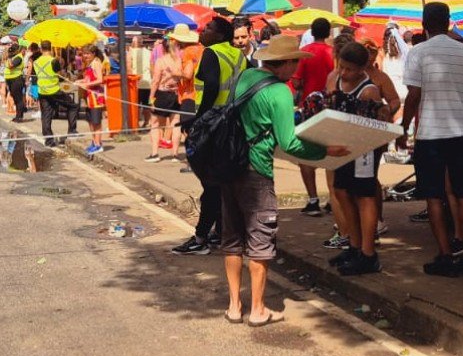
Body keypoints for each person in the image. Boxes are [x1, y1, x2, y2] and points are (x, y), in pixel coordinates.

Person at [218, 33, 347, 325]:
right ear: (286, 63)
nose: (296, 70)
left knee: (232, 238)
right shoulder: (280, 92)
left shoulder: (247, 76)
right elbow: (289, 143)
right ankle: (258, 309)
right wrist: (325, 150)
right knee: (260, 239)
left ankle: (234, 305)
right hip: (256, 170)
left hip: (229, 165)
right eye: (295, 63)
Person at [399, 2, 463, 277]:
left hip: (432, 134)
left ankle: (445, 254)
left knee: (434, 196)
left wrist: (403, 128)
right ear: (449, 22)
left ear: (424, 24)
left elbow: (413, 95)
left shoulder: (418, 53)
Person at [173, 18, 244, 256]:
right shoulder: (240, 56)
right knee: (223, 183)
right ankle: (220, 232)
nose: (203, 31)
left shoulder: (211, 53)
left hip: (213, 127)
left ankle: (201, 237)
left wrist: (198, 120)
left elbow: (212, 86)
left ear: (221, 35)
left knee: (211, 184)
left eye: (209, 28)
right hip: (234, 125)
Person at [325, 41, 390, 276]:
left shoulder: (369, 90)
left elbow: (378, 123)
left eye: (349, 69)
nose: (344, 73)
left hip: (363, 151)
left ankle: (368, 253)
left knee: (364, 197)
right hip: (342, 147)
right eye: (341, 67)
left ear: (363, 68)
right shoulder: (335, 80)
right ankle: (353, 244)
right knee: (342, 191)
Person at [290, 16, 336, 215]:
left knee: (306, 154)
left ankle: (313, 199)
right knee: (332, 153)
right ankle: (334, 198)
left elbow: (297, 81)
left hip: (309, 108)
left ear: (311, 31)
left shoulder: (305, 52)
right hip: (331, 108)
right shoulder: (333, 52)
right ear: (328, 33)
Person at [148, 34, 183, 161]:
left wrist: (151, 98)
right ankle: (175, 154)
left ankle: (154, 153)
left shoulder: (161, 61)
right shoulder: (179, 61)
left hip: (162, 93)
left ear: (163, 48)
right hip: (175, 93)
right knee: (176, 124)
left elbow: (155, 81)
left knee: (155, 124)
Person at [35, 43, 79, 142]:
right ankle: (72, 131)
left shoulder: (36, 61)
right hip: (54, 90)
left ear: (41, 49)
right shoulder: (53, 60)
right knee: (73, 106)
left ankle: (49, 140)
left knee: (46, 114)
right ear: (50, 48)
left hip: (42, 91)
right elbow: (60, 74)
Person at [80, 45, 108, 153]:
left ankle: (98, 144)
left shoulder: (96, 63)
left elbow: (100, 80)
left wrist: (87, 84)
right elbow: (88, 79)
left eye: (88, 54)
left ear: (93, 54)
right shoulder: (89, 64)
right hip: (89, 98)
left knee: (96, 122)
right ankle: (94, 141)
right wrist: (80, 82)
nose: (85, 56)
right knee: (90, 121)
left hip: (96, 97)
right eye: (84, 53)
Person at [1, 39, 28, 122]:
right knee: (15, 97)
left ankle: (19, 116)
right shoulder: (13, 57)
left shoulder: (18, 58)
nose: (11, 51)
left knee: (18, 98)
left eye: (12, 50)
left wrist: (9, 57)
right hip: (11, 80)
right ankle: (19, 113)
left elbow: (11, 66)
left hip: (16, 79)